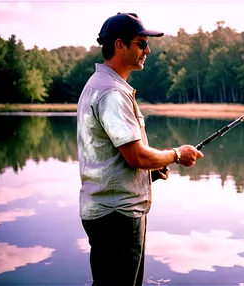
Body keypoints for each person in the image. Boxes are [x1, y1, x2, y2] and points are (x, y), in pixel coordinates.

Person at [76, 12, 204, 286]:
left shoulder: (99, 85)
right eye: (141, 43)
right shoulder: (112, 92)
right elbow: (136, 156)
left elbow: (112, 157)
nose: (148, 50)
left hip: (108, 212)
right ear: (119, 45)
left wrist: (152, 170)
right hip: (118, 217)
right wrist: (178, 155)